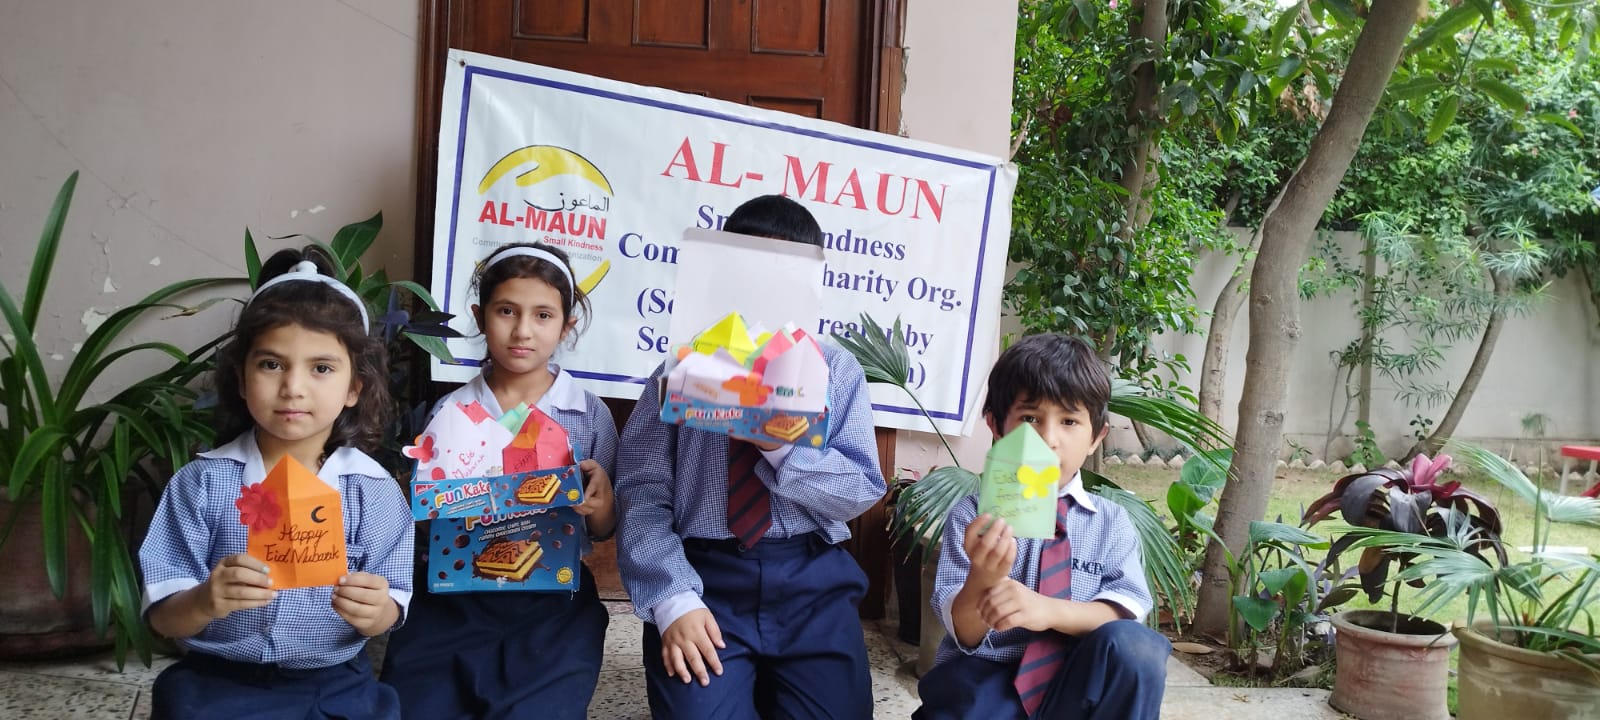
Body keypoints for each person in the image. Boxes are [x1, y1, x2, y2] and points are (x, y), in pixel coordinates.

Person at [615, 194, 884, 719]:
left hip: (811, 579)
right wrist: (674, 600)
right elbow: (641, 492)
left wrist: (780, 446)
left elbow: (859, 488)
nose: (764, 288)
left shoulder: (835, 369)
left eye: (783, 275)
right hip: (704, 574)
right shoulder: (681, 368)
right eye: (749, 270)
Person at [139, 246, 414, 719]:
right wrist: (206, 599)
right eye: (271, 364)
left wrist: (377, 612)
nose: (293, 387)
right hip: (218, 679)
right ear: (242, 379)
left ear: (355, 388)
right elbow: (163, 616)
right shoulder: (201, 484)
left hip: (333, 682)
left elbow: (394, 604)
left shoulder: (374, 492)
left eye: (321, 368)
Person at [378, 241, 618, 719]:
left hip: (554, 604)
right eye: (506, 311)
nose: (523, 330)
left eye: (543, 315)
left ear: (567, 325)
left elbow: (604, 528)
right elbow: (425, 524)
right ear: (480, 315)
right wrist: (433, 500)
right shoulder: (451, 413)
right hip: (453, 598)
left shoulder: (588, 415)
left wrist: (601, 503)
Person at [914, 333, 1171, 720]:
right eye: (1030, 418)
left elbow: (1126, 613)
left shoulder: (1112, 522)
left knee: (1138, 647)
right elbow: (964, 633)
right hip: (988, 680)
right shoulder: (973, 515)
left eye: (1069, 421)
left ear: (1095, 437)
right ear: (997, 427)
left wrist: (1048, 611)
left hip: (1080, 685)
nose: (1048, 439)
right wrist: (982, 579)